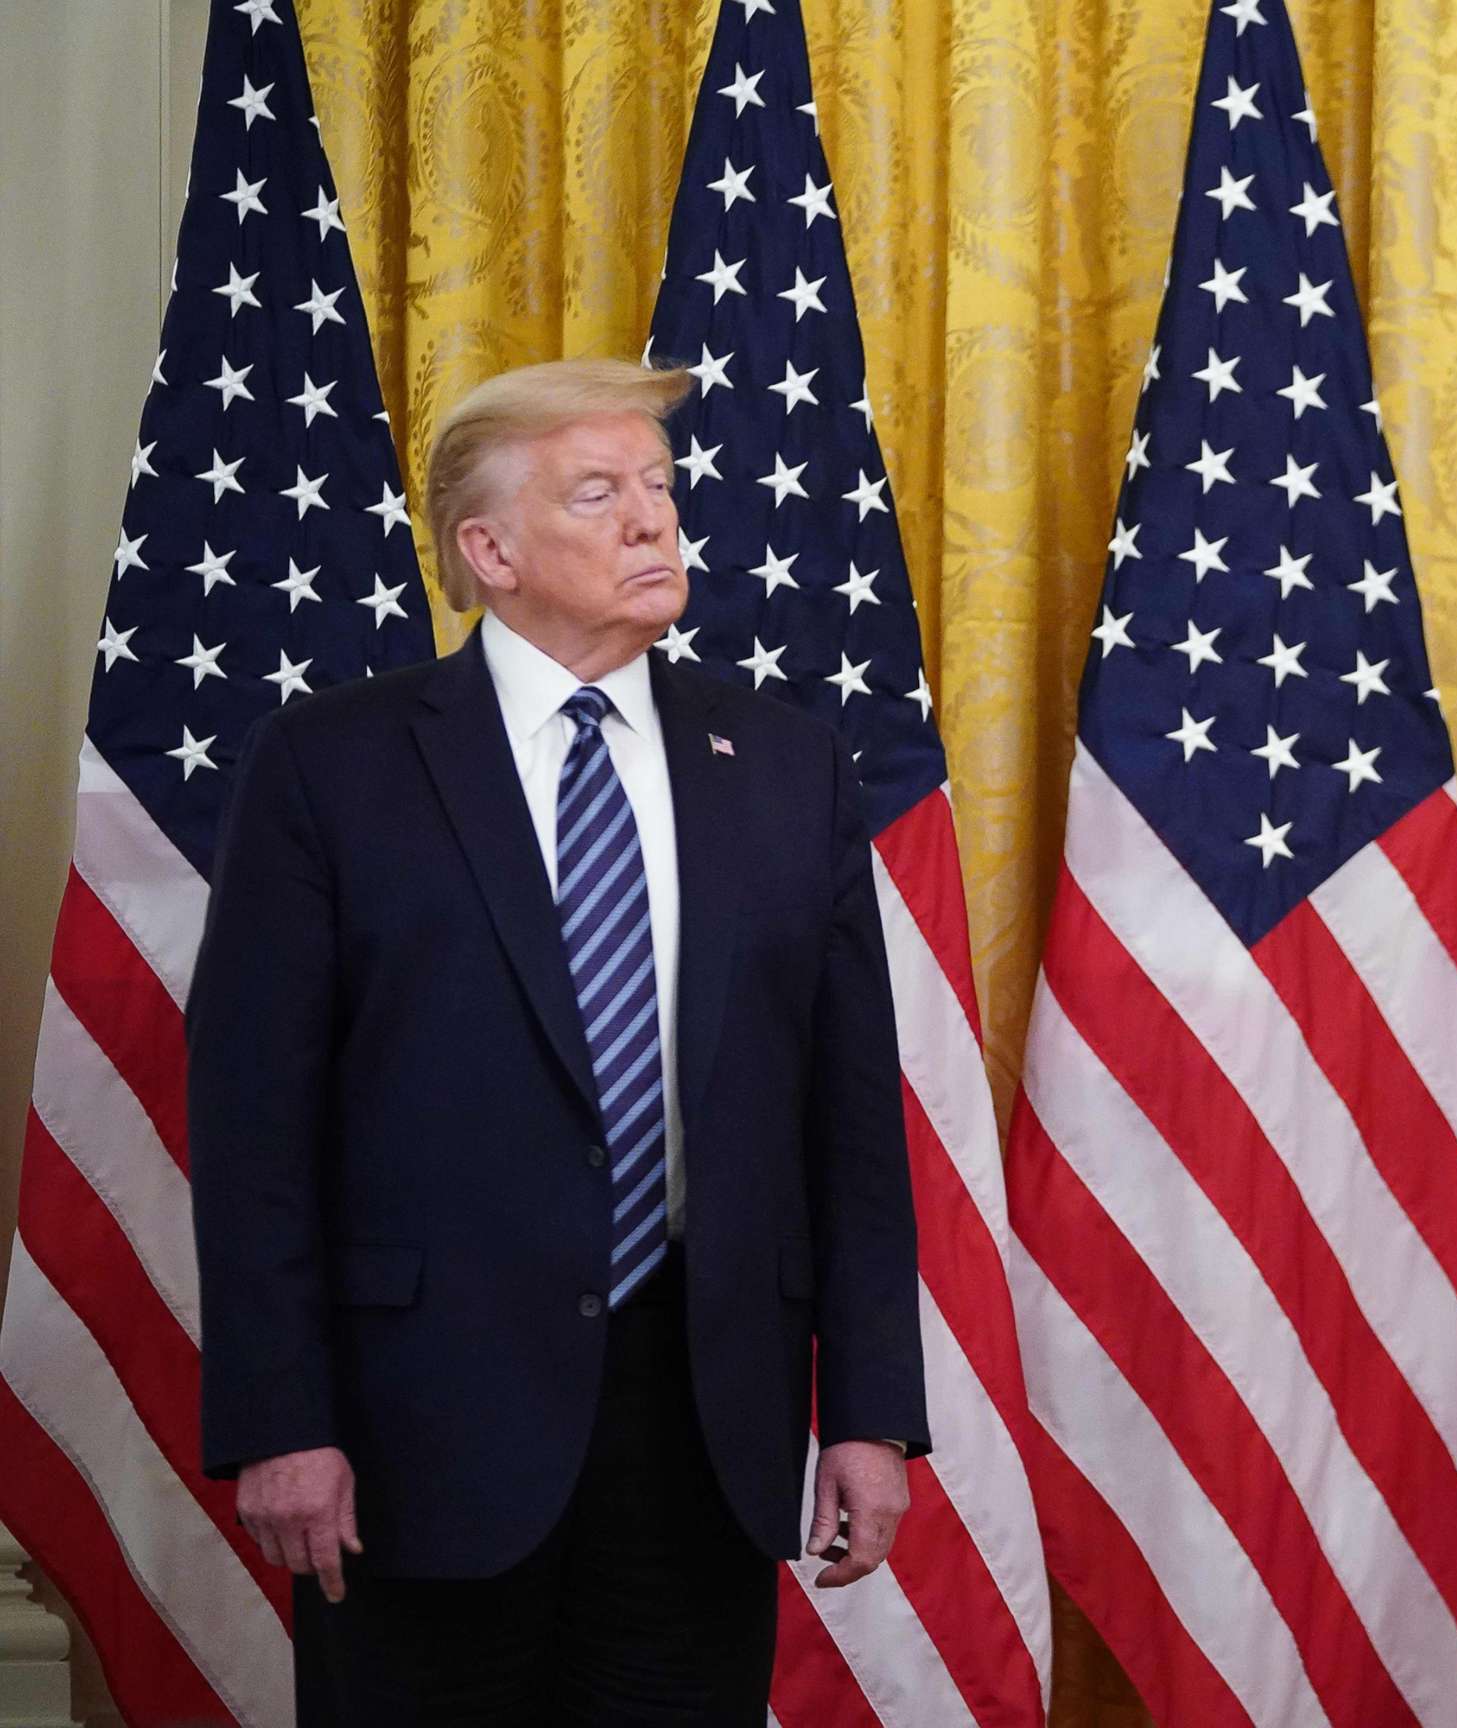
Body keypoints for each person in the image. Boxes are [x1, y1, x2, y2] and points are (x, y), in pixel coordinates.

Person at [190, 358, 928, 1723]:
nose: (654, 520)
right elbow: (253, 1127)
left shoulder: (782, 763)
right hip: (420, 1428)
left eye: (656, 486)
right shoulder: (332, 765)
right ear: (492, 552)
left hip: (705, 1424)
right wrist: (278, 1419)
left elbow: (849, 1119)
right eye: (599, 494)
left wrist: (875, 1412)